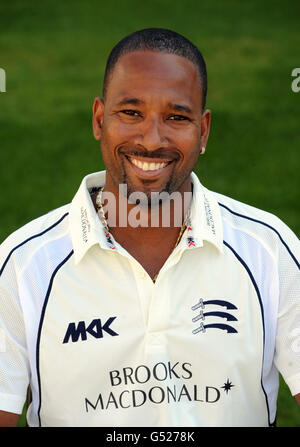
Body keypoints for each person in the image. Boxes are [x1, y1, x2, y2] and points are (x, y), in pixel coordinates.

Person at [0, 28, 299, 428]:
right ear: (99, 119)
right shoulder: (23, 267)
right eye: (131, 113)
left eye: (177, 117)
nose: (152, 140)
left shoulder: (269, 250)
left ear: (204, 130)